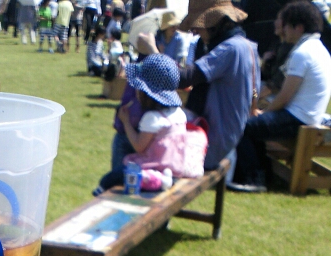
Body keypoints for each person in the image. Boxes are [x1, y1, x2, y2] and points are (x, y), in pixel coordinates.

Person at [138, 0, 259, 173]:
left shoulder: (230, 49)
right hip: (222, 136)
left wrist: (152, 50)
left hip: (209, 142)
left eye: (199, 26)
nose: (195, 31)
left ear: (215, 23)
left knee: (136, 138)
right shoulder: (246, 46)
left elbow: (183, 78)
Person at [232, 0, 331, 191]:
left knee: (242, 126)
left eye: (286, 26)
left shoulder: (303, 52)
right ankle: (265, 174)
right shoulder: (317, 48)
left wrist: (264, 112)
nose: (283, 30)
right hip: (307, 116)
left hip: (297, 119)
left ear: (298, 27)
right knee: (253, 126)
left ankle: (254, 179)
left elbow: (284, 96)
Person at [94, 54, 189, 192]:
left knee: (112, 177)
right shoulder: (179, 113)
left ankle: (102, 194)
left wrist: (126, 122)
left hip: (154, 170)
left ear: (147, 93)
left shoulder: (152, 118)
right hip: (174, 170)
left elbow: (139, 146)